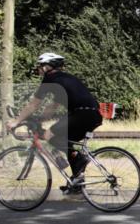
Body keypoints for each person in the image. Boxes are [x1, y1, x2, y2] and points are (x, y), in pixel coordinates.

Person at [6, 52, 103, 193]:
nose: (39, 70)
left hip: (81, 114)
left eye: (40, 66)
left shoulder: (50, 79)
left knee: (48, 135)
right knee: (69, 145)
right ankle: (78, 181)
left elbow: (33, 105)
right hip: (93, 115)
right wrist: (38, 119)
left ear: (47, 67)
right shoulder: (64, 79)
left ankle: (81, 161)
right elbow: (52, 107)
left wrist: (16, 121)